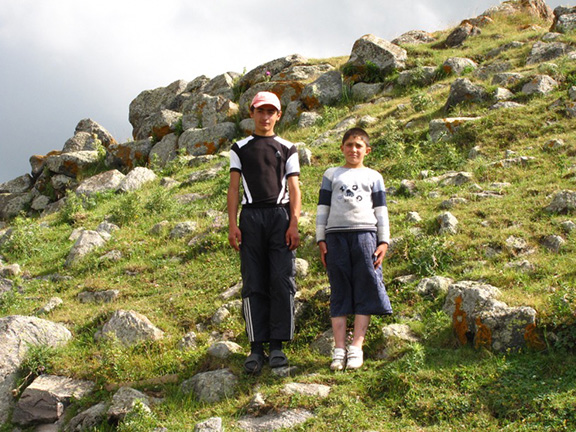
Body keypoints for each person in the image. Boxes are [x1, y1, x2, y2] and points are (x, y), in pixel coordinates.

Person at [227, 91, 301, 374]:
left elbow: (294, 188)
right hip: (251, 218)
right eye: (261, 111)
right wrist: (233, 225)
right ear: (252, 113)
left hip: (279, 217)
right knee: (253, 281)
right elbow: (234, 188)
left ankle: (278, 345)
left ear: (278, 115)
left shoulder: (288, 147)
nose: (265, 117)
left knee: (282, 280)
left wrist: (293, 223)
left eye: (271, 112)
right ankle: (256, 347)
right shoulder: (240, 148)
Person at [316, 127, 392, 371]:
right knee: (339, 287)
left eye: (359, 146)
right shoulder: (331, 175)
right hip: (335, 238)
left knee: (366, 284)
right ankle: (339, 349)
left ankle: (356, 346)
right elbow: (322, 210)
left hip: (366, 236)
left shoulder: (374, 176)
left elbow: (381, 211)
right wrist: (321, 239)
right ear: (342, 148)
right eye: (349, 145)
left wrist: (384, 241)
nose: (353, 150)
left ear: (367, 150)